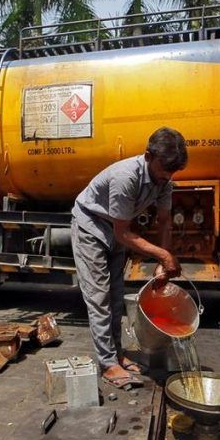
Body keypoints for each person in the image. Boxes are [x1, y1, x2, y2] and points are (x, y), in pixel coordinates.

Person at [71, 127, 188, 389]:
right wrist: (163, 254)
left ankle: (116, 354)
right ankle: (107, 363)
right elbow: (123, 232)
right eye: (164, 169)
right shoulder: (126, 177)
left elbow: (165, 221)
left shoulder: (164, 181)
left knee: (115, 296)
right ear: (148, 156)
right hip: (91, 226)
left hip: (115, 229)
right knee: (99, 297)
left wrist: (162, 262)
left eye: (172, 172)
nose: (167, 177)